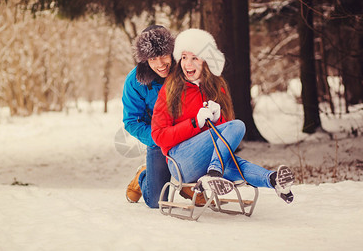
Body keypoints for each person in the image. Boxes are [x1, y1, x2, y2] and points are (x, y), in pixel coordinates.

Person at [151, 28, 295, 204]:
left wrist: (218, 118)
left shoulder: (217, 87)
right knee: (237, 126)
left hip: (210, 159)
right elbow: (158, 136)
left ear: (206, 61)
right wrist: (195, 123)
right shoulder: (170, 89)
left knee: (232, 160)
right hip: (180, 161)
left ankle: (274, 180)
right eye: (184, 57)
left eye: (194, 58)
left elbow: (225, 140)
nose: (187, 64)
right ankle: (214, 173)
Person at [123, 25, 204, 208]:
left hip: (188, 135)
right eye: (152, 58)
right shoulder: (134, 81)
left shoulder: (185, 69)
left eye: (164, 56)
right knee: (156, 202)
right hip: (159, 140)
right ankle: (144, 176)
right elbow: (131, 121)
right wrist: (158, 138)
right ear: (145, 60)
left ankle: (188, 183)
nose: (160, 64)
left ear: (172, 52)